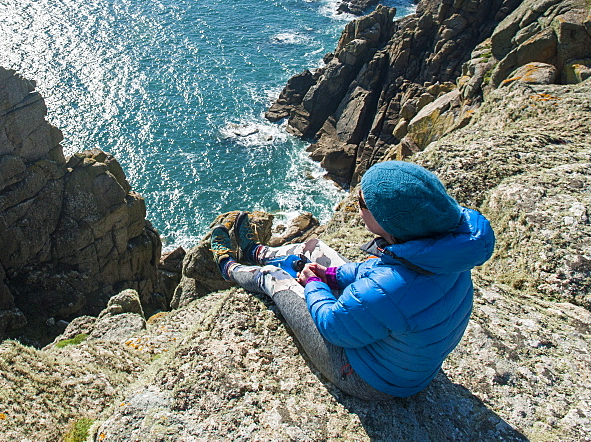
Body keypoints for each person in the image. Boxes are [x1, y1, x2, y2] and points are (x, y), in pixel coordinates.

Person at [210, 160, 496, 400]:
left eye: (363, 201)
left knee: (276, 278)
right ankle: (257, 251)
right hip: (402, 356)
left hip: (367, 377)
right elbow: (376, 272)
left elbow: (333, 326)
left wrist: (314, 284)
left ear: (390, 223)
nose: (358, 203)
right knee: (313, 249)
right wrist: (332, 275)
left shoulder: (391, 287)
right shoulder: (441, 249)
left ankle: (228, 265)